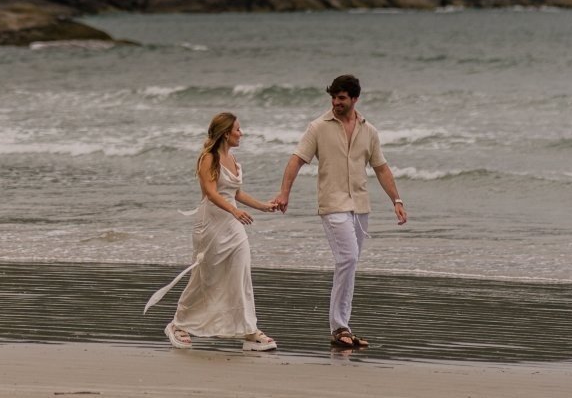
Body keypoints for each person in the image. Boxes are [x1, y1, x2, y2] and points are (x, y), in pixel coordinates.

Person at [274, 75, 407, 348]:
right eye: (333, 97)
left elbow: (381, 168)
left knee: (350, 263)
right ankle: (339, 326)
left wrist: (397, 200)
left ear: (355, 99)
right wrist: (284, 193)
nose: (336, 102)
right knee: (348, 258)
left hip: (360, 206)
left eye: (342, 98)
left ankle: (343, 326)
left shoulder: (369, 130)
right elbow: (296, 160)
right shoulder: (318, 127)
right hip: (332, 204)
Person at [145, 112, 278, 351]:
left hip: (233, 225)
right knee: (206, 277)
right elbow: (211, 193)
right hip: (211, 225)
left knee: (241, 274)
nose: (241, 133)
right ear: (226, 133)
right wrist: (234, 211)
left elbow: (236, 193)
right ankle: (178, 324)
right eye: (238, 129)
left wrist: (263, 206)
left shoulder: (233, 159)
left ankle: (250, 331)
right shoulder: (208, 158)